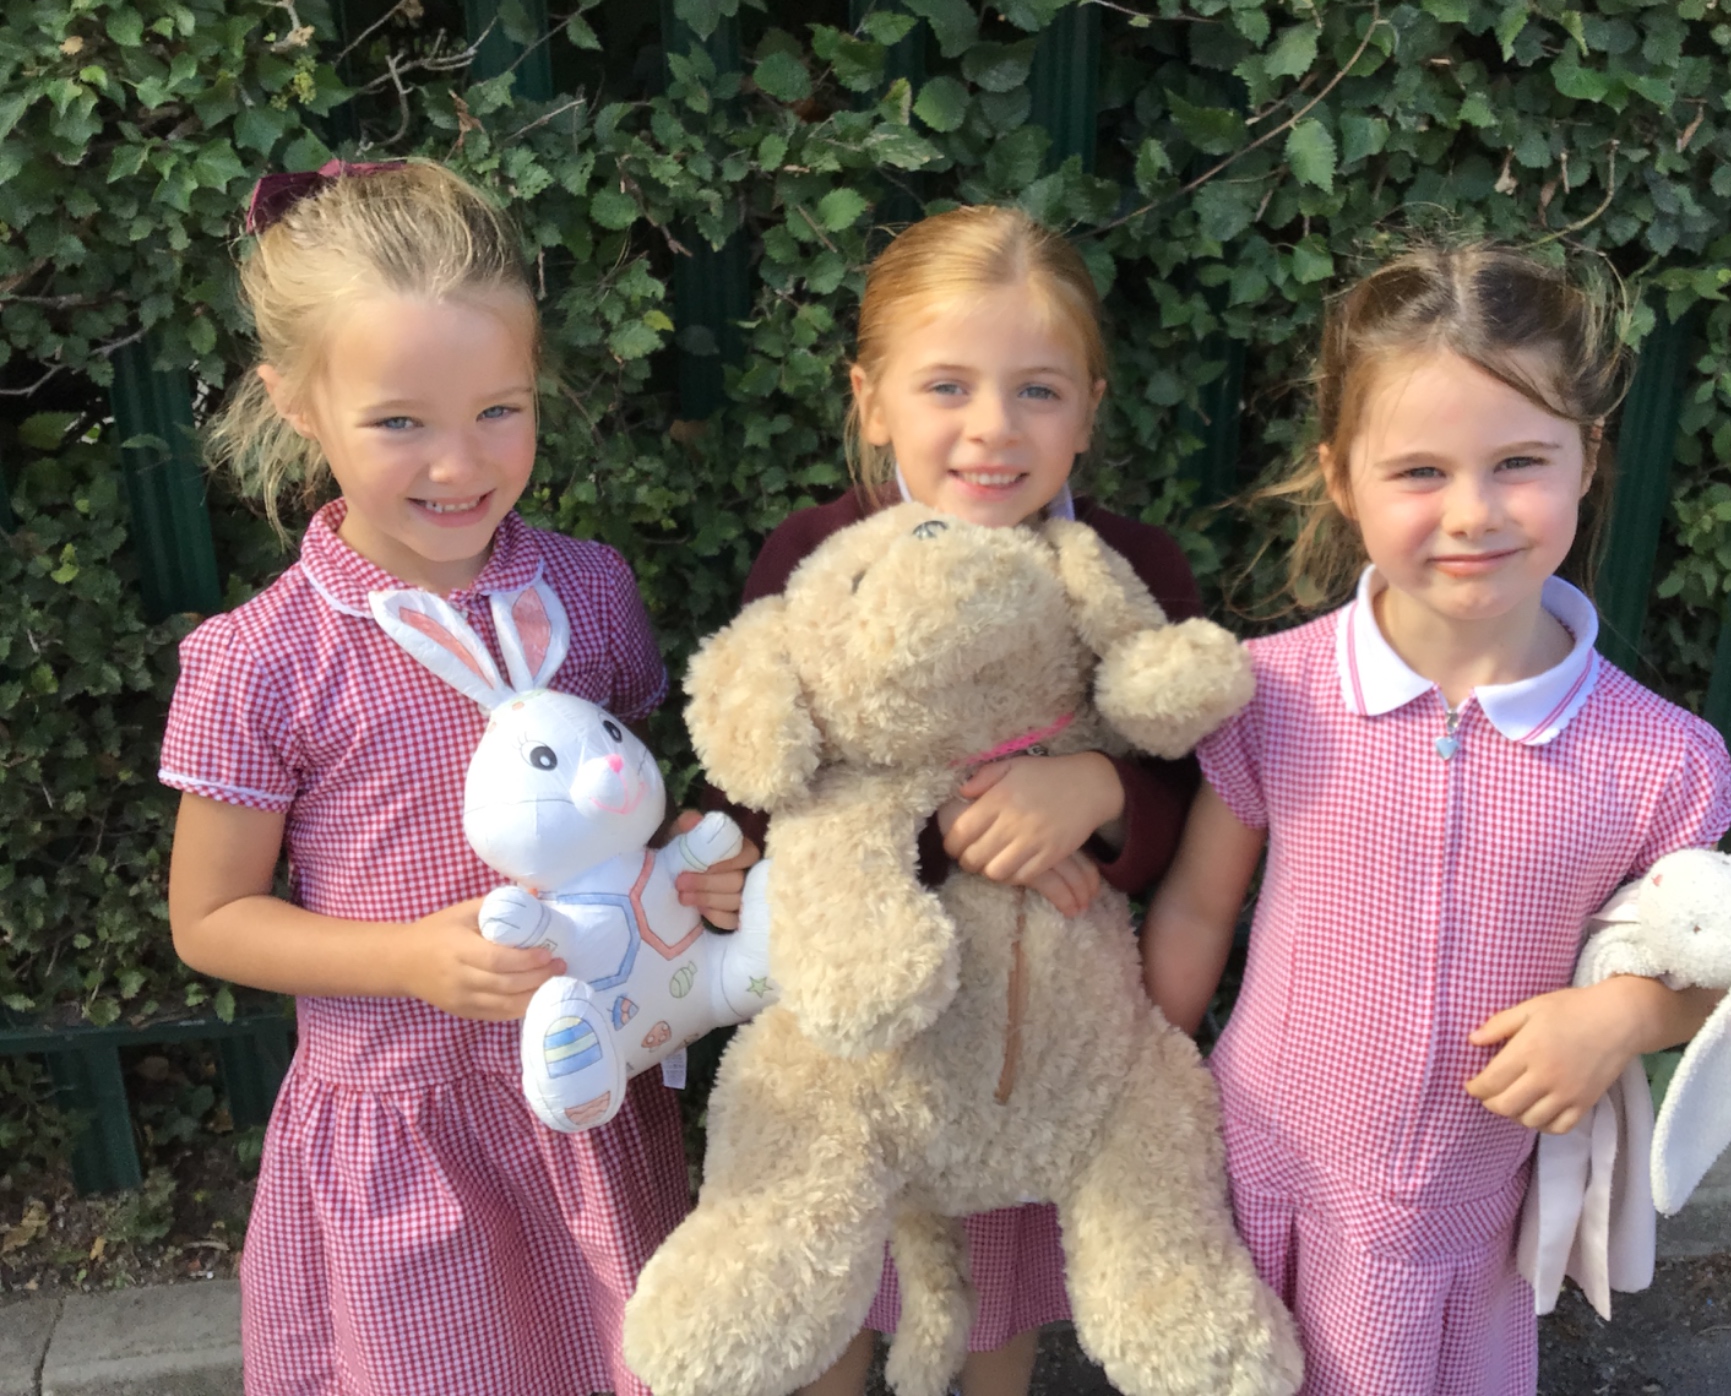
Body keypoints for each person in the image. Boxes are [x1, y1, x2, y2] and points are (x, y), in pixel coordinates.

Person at [161, 158, 752, 1396]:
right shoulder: (259, 660)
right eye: (399, 422)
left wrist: (696, 869)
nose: (457, 463)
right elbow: (209, 920)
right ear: (295, 403)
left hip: (594, 1101)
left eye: (498, 409)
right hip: (407, 1133)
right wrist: (407, 960)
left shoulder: (590, 591)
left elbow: (628, 818)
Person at [1140, 245, 1731, 1395]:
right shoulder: (1272, 693)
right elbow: (1196, 910)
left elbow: (1714, 975)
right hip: (1253, 1182)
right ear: (1339, 478)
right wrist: (1135, 1095)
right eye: (1418, 470)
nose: (1472, 512)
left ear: (1585, 457)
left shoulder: (1660, 760)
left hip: (1465, 1224)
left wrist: (1622, 1017)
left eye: (1518, 462)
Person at [715, 204, 1202, 1396]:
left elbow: (1191, 777)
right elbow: (774, 775)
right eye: (946, 387)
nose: (992, 428)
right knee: (839, 1288)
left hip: (1033, 1041)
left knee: (998, 1302)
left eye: (1037, 391)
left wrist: (1097, 788)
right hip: (866, 1045)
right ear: (871, 399)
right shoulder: (813, 556)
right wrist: (944, 833)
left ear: (1087, 408)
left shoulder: (1135, 567)